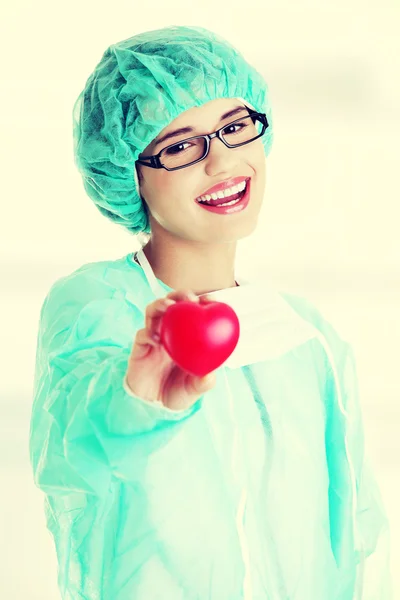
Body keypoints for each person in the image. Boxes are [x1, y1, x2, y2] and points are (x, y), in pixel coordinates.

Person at [29, 25, 392, 599]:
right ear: (131, 173)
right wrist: (138, 397)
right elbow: (75, 445)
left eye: (235, 127)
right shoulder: (100, 303)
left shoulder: (304, 333)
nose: (222, 160)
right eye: (178, 145)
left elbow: (351, 528)